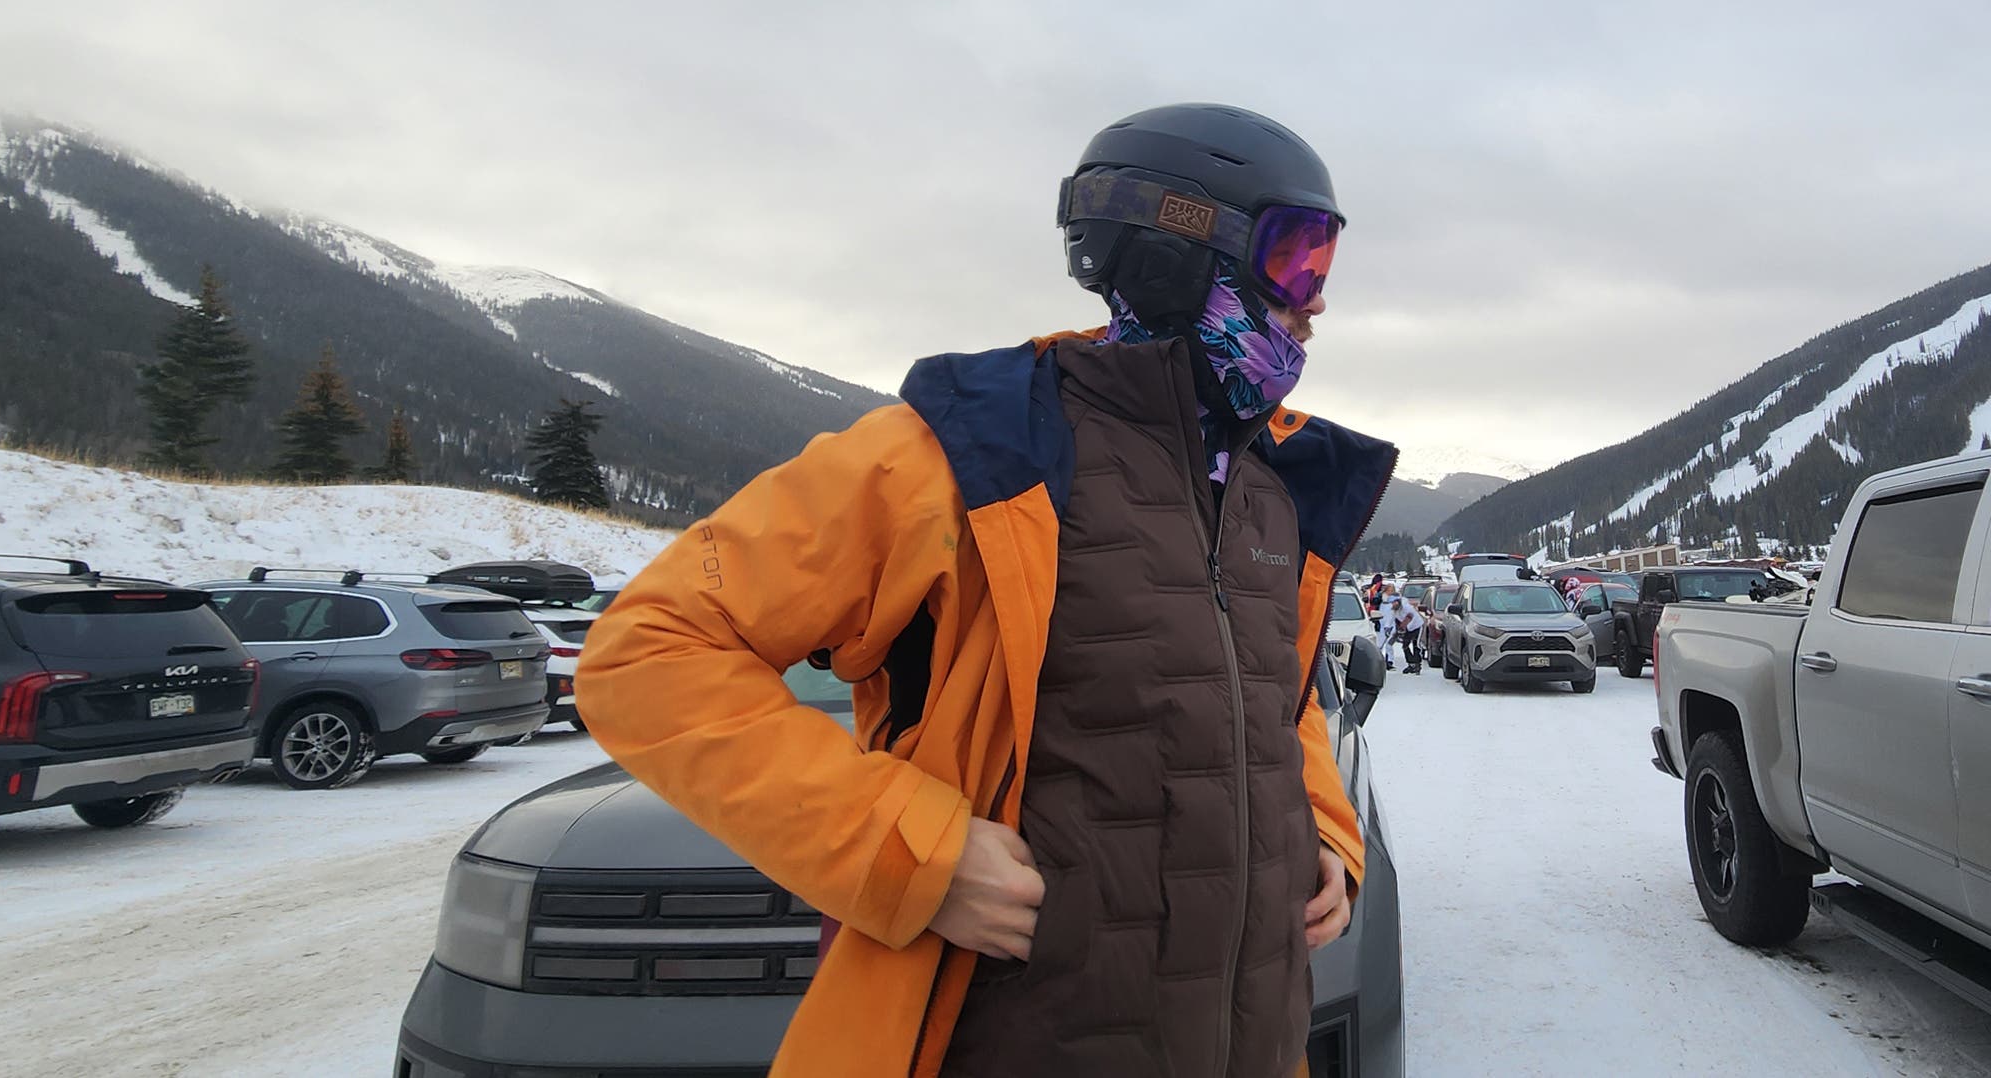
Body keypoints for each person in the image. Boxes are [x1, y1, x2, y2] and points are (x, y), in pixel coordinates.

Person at [576, 103, 1396, 1078]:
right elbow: (650, 651)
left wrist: (1327, 832)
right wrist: (910, 852)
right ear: (1178, 254)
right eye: (1297, 256)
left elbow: (1273, 692)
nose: (1316, 304)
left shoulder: (1270, 489)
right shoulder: (969, 454)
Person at [1376, 588, 1426, 673]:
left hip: (1417, 626)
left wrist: (1404, 627)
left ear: (1398, 601)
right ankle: (1411, 664)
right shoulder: (1394, 609)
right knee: (1405, 645)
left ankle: (1417, 663)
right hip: (1407, 628)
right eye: (1391, 603)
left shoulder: (1406, 607)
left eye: (1394, 602)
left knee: (1416, 644)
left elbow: (1411, 618)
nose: (1393, 604)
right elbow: (1390, 618)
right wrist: (1387, 627)